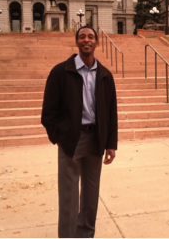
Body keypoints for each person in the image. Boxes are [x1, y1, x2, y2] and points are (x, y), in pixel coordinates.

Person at [41, 26, 118, 239]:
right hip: (71, 140)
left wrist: (110, 143)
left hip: (97, 139)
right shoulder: (60, 72)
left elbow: (111, 112)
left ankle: (85, 235)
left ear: (97, 43)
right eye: (82, 36)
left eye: (91, 37)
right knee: (69, 196)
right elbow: (48, 112)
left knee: (91, 195)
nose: (87, 40)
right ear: (77, 42)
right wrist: (59, 136)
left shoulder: (105, 75)